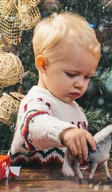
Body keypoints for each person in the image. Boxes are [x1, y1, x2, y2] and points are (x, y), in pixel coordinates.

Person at [10, 12, 99, 166]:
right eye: (72, 74)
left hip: (62, 186)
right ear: (43, 65)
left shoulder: (74, 107)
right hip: (32, 185)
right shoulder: (36, 101)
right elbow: (34, 126)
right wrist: (65, 133)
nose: (80, 84)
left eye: (87, 77)